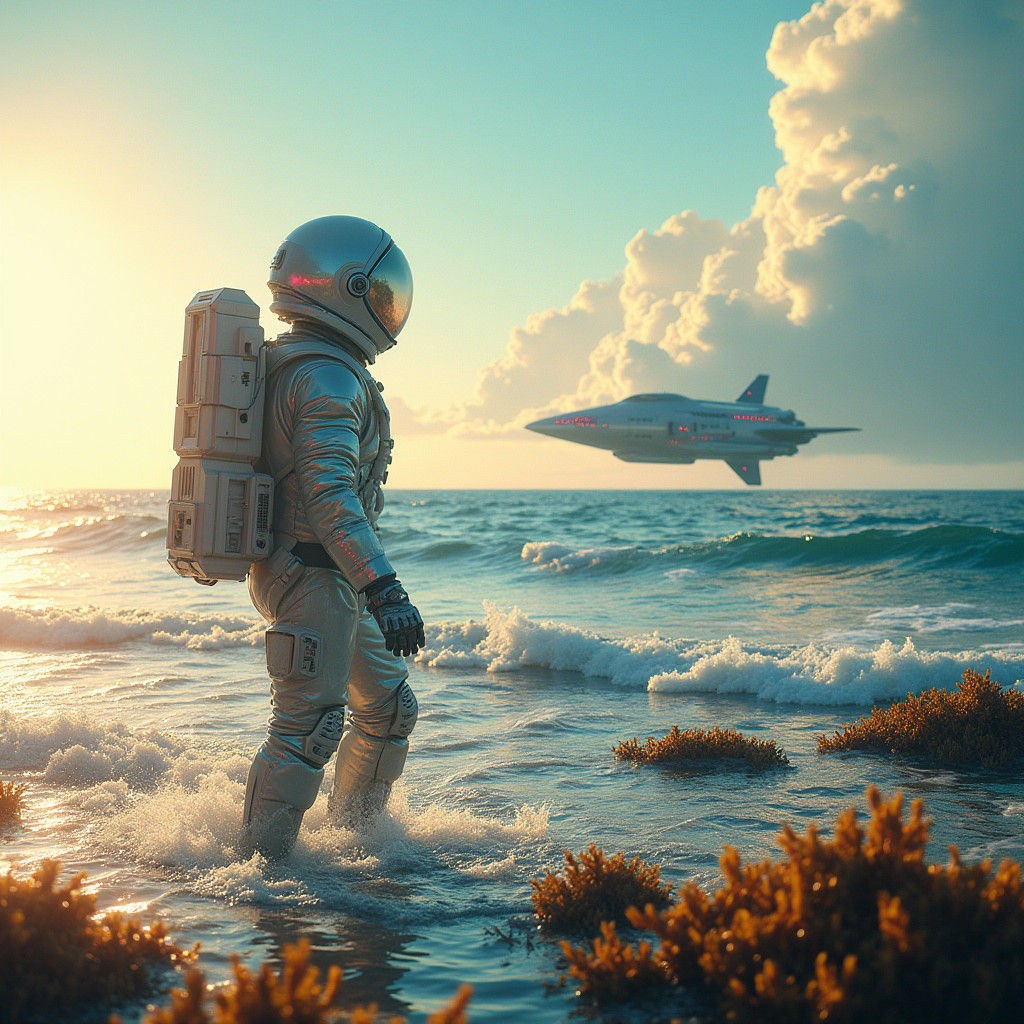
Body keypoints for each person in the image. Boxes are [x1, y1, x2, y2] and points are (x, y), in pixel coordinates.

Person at [241, 215, 425, 860]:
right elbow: (330, 498)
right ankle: (260, 879)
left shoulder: (298, 363)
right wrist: (385, 586)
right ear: (347, 288)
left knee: (388, 710)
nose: (389, 309)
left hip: (323, 576)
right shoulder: (327, 377)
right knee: (307, 729)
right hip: (313, 576)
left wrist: (365, 583)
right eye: (378, 293)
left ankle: (357, 848)